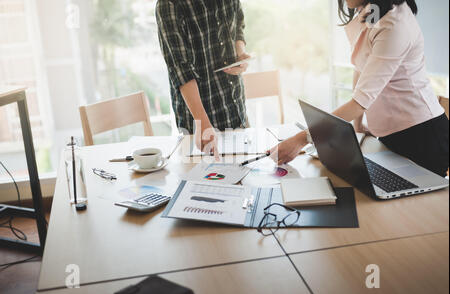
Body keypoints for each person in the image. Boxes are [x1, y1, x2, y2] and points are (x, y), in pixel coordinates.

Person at [272, 0, 449, 177]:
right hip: (391, 133)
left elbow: (359, 102)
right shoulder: (373, 10)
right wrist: (357, 125)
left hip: (422, 136)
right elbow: (361, 66)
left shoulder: (394, 25)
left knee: (408, 203)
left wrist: (301, 139)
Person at [156, 0, 250, 156]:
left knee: (243, 174)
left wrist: (240, 54)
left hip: (236, 110)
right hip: (197, 124)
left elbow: (238, 22)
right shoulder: (168, 4)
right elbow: (180, 68)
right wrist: (202, 122)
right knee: (200, 178)